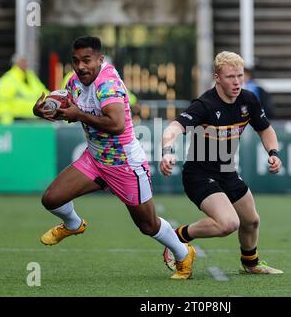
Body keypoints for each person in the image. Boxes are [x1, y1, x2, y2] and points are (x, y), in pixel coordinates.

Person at [32, 36, 195, 280]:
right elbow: (68, 109)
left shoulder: (109, 84)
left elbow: (117, 124)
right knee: (52, 199)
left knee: (148, 225)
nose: (81, 66)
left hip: (125, 164)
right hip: (95, 160)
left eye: (87, 60)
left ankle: (183, 254)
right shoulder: (74, 81)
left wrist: (80, 115)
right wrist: (46, 111)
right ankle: (74, 224)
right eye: (76, 61)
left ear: (100, 59)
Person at [160, 51, 283, 275]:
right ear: (217, 77)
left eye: (240, 76)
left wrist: (273, 152)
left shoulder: (248, 99)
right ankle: (177, 236)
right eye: (230, 77)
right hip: (199, 174)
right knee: (228, 224)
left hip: (227, 171)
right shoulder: (204, 104)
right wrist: (168, 151)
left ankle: (250, 263)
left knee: (251, 221)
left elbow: (265, 129)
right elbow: (173, 128)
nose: (236, 82)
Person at [0, 54, 48, 125]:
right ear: (16, 63)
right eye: (22, 61)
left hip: (35, 120)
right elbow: (2, 103)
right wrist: (7, 123)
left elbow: (43, 93)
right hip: (17, 122)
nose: (25, 63)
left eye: (25, 61)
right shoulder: (9, 79)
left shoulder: (31, 76)